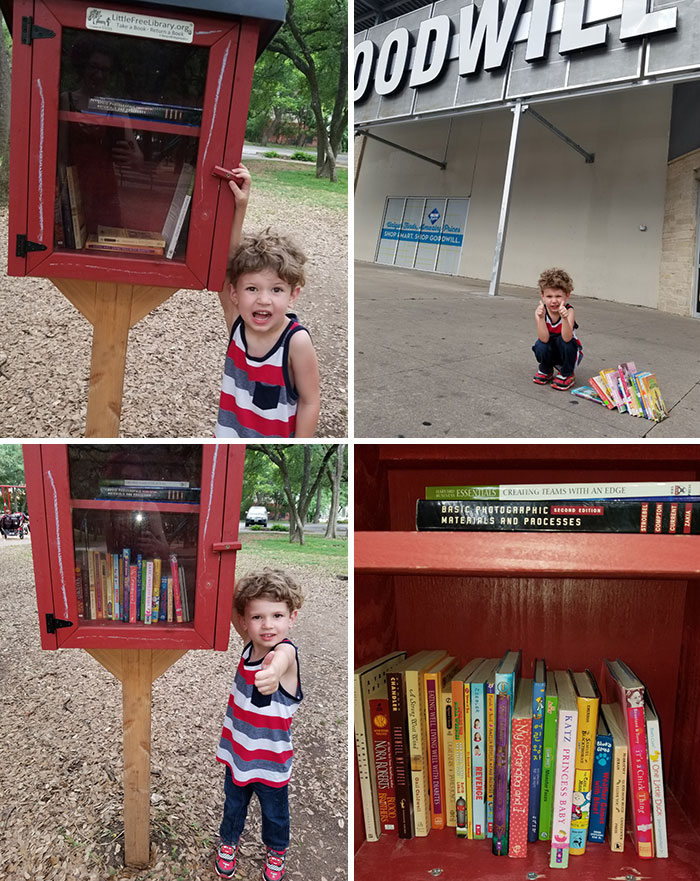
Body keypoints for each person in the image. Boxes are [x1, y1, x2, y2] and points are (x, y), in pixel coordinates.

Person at [214, 167, 321, 437]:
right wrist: (240, 207)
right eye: (252, 289)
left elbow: (310, 401)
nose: (263, 300)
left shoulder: (296, 342)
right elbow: (227, 268)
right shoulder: (237, 325)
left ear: (293, 295)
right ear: (235, 294)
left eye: (276, 290)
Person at [215, 569, 304, 880]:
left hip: (270, 763)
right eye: (258, 617)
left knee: (275, 814)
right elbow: (231, 600)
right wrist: (231, 572)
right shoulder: (248, 645)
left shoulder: (285, 654)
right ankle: (229, 841)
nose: (267, 625)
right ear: (244, 621)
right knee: (233, 805)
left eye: (277, 615)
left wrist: (273, 673)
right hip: (238, 754)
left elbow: (283, 658)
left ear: (292, 618)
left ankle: (276, 850)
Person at [532, 267, 583, 390]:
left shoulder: (569, 311)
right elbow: (544, 339)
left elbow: (567, 338)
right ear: (542, 296)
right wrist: (542, 318)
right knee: (539, 345)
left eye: (558, 296)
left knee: (565, 342)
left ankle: (567, 373)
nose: (554, 301)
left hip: (567, 352)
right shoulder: (540, 312)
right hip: (551, 350)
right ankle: (546, 368)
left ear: (567, 295)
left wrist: (564, 318)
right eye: (549, 296)